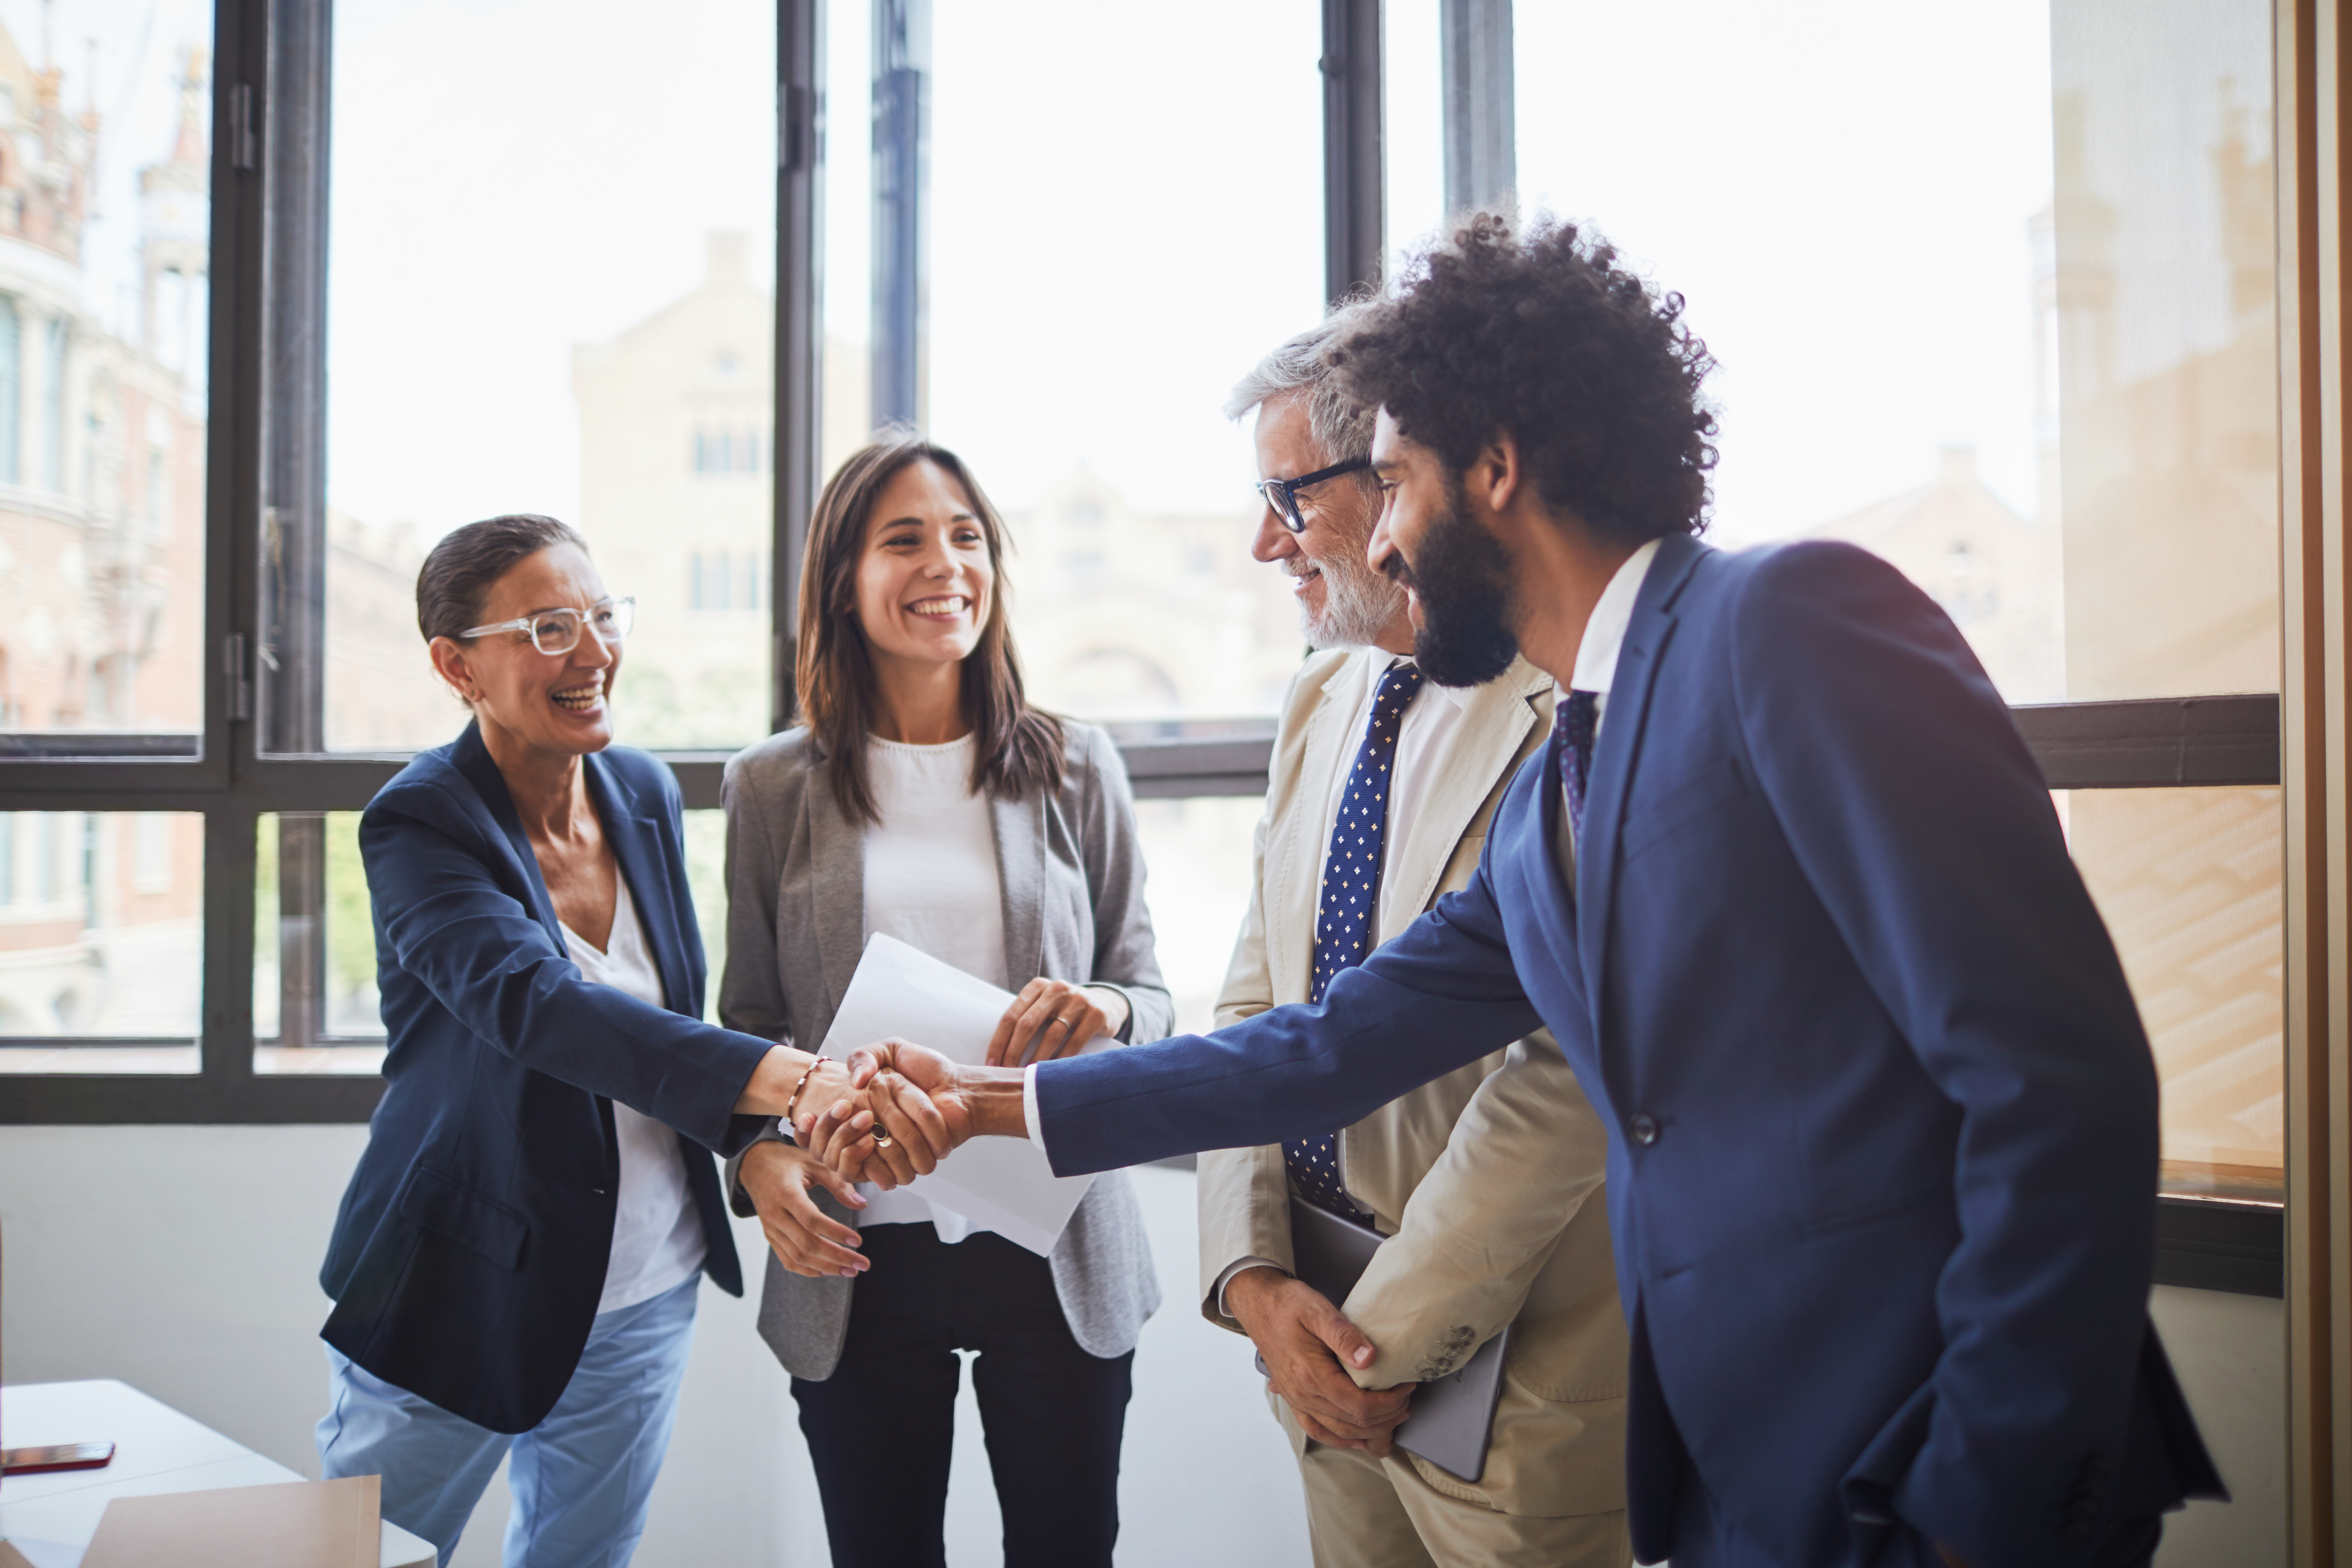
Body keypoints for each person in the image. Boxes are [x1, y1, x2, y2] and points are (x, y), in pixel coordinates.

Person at [817, 216, 2226, 1568]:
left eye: (1393, 483)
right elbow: (1328, 1045)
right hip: (1740, 1481)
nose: (1379, 543)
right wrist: (987, 1102)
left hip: (1927, 1471)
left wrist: (1990, 1505)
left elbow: (2059, 1076)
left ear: (1494, 468)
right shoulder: (1566, 776)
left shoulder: (1790, 623)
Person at [314, 513, 898, 1568]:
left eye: (600, 616)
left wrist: (752, 1144)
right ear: (457, 667)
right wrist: (787, 1081)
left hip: (644, 1285)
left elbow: (669, 1021)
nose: (592, 652)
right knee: (368, 1557)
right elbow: (533, 1005)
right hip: (461, 1281)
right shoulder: (421, 823)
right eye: (547, 629)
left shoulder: (642, 789)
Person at [1203, 313, 1628, 1566]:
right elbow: (1256, 1007)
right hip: (1309, 1332)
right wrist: (1252, 1281)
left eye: (1291, 497)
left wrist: (1376, 1340)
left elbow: (1568, 1079)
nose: (1267, 541)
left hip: (1515, 1380)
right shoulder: (1321, 691)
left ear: (1401, 474)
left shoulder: (1575, 706)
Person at [720, 435, 1168, 1568]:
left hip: (1053, 1237)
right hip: (858, 1246)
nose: (946, 564)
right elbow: (748, 1027)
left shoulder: (1076, 763)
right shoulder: (771, 785)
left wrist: (1108, 1009)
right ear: (844, 580)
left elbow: (1151, 991)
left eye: (967, 537)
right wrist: (758, 1158)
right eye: (905, 539)